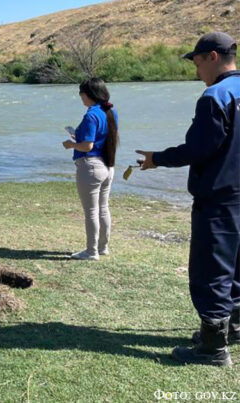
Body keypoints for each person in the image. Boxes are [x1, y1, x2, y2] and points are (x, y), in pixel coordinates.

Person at [136, 32, 240, 366]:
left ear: (212, 56)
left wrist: (157, 159)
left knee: (210, 270)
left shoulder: (215, 96)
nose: (196, 72)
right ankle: (233, 327)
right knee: (236, 266)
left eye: (197, 63)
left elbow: (198, 148)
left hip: (220, 199)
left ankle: (212, 348)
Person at [62, 78, 118, 261]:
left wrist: (71, 144)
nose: (80, 97)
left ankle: (91, 251)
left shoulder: (90, 115)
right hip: (108, 166)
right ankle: (103, 247)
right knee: (103, 208)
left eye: (81, 93)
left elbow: (87, 146)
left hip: (91, 167)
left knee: (91, 212)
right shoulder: (110, 111)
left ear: (88, 94)